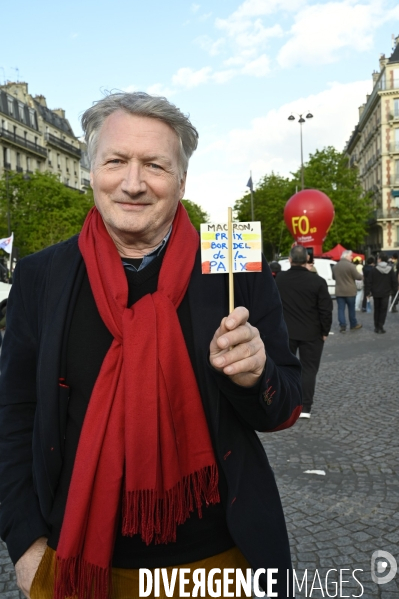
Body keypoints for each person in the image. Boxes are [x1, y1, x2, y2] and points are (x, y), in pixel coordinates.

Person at [0, 92, 302, 599]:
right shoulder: (41, 276)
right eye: (116, 161)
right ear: (89, 170)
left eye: (155, 166)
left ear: (182, 180)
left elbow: (286, 403)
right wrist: (25, 541)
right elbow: (13, 417)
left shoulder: (234, 268)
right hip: (79, 561)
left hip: (220, 561)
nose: (134, 183)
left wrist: (259, 376)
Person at [276, 245, 332, 419]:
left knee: (284, 368)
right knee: (309, 370)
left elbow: (272, 306)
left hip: (286, 332)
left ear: (290, 260)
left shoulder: (279, 280)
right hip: (312, 333)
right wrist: (325, 331)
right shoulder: (318, 281)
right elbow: (326, 310)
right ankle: (305, 407)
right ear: (307, 259)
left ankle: (287, 403)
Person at [332, 249, 363, 332]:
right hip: (350, 291)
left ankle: (342, 326)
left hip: (339, 291)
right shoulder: (351, 266)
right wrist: (362, 276)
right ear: (346, 256)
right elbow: (358, 277)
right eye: (350, 256)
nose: (352, 257)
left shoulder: (335, 266)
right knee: (351, 309)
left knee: (340, 309)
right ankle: (353, 324)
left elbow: (334, 277)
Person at [370, 252, 398, 333]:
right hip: (386, 293)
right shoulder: (390, 270)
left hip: (376, 293)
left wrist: (369, 291)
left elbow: (369, 281)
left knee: (377, 309)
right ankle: (381, 326)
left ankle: (376, 326)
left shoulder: (374, 270)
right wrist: (393, 291)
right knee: (383, 310)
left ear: (380, 259)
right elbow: (394, 281)